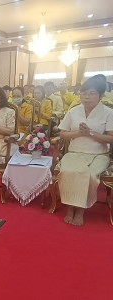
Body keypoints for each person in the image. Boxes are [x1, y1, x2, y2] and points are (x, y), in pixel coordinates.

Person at [58, 75, 113, 226]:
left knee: (87, 175)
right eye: (84, 93)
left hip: (98, 154)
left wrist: (91, 133)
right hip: (75, 152)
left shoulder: (108, 112)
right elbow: (62, 133)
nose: (87, 97)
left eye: (92, 93)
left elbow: (111, 139)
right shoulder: (74, 111)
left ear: (101, 95)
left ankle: (80, 209)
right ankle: (70, 207)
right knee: (68, 172)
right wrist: (78, 133)